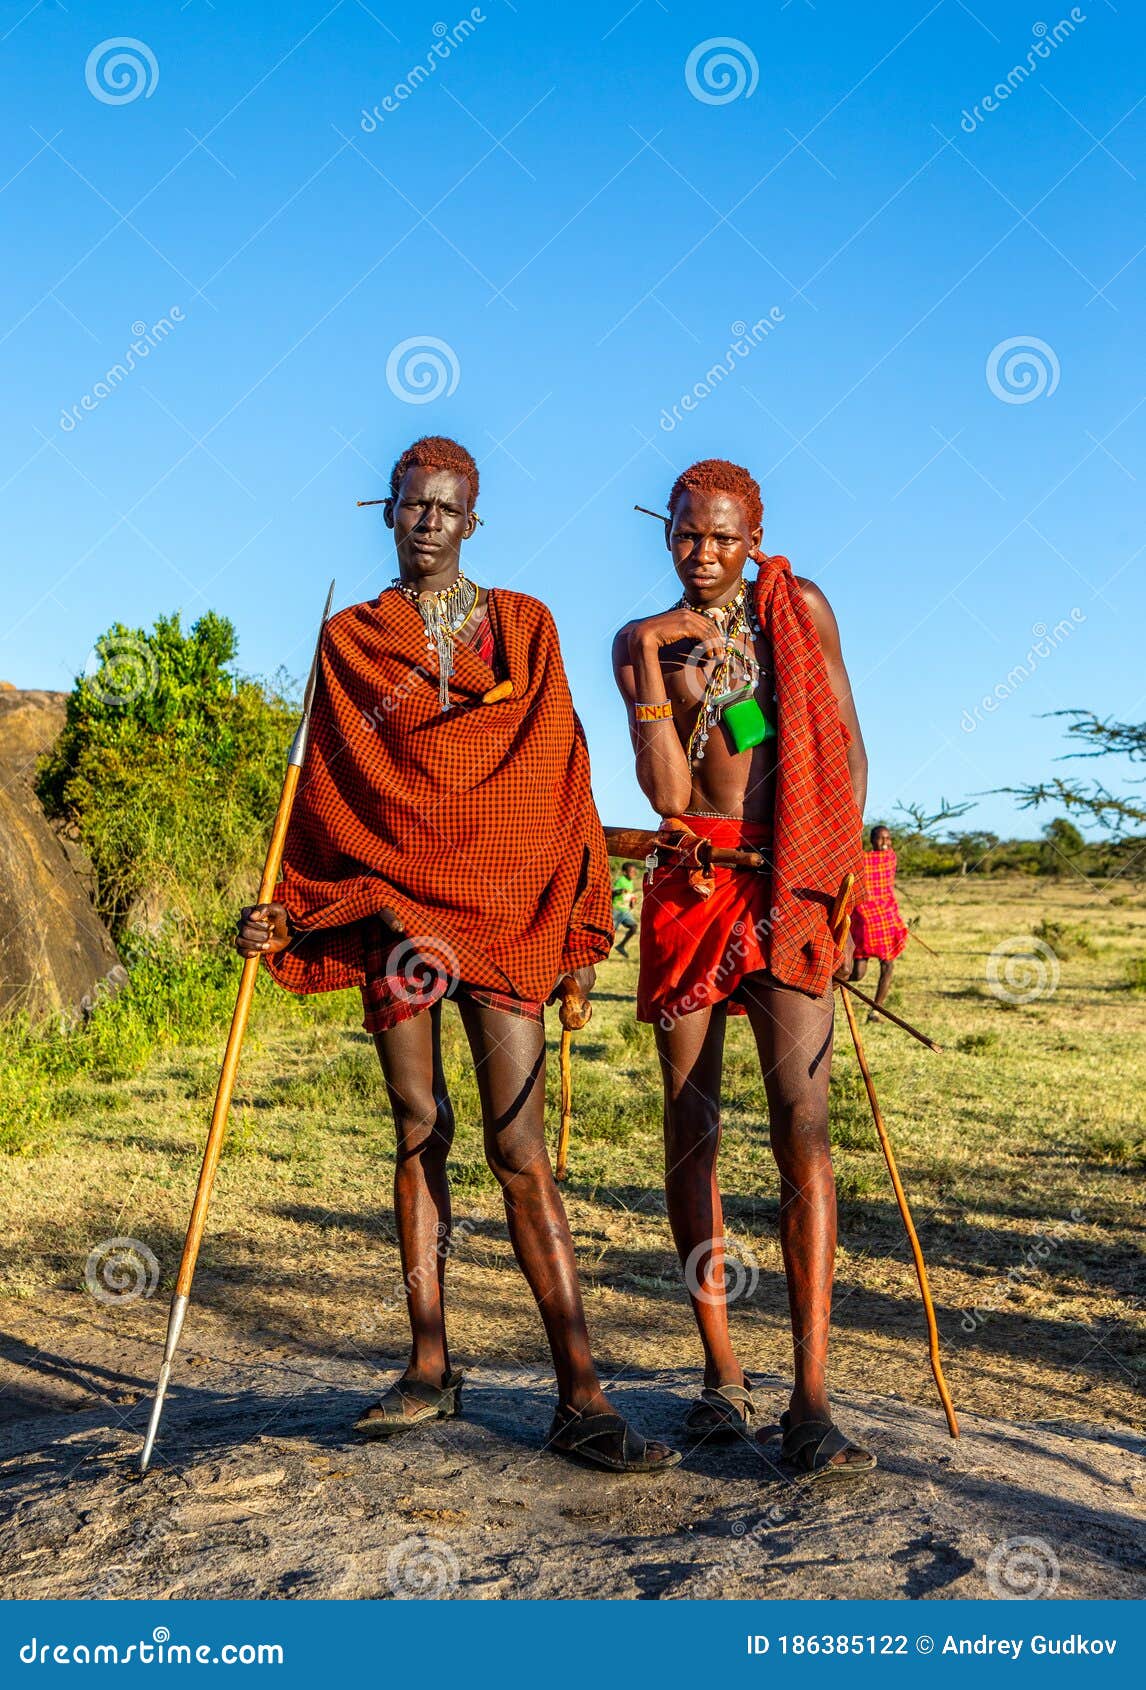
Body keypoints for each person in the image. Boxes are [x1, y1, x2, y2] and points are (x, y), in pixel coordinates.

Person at [236, 435, 678, 1475]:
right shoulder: (350, 639)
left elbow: (561, 778)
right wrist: (288, 912)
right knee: (417, 1125)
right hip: (395, 918)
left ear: (473, 519)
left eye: (447, 507)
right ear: (385, 512)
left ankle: (582, 1392)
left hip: (508, 914)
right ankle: (430, 1365)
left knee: (519, 1150)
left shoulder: (525, 627)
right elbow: (331, 801)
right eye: (411, 504)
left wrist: (578, 923)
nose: (428, 520)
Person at [612, 457, 875, 1479]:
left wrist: (830, 869)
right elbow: (673, 788)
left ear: (754, 534)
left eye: (724, 536)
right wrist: (648, 665)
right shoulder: (646, 644)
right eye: (687, 534)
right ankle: (722, 1373)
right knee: (693, 1128)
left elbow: (840, 747)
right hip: (691, 883)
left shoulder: (795, 610)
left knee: (802, 1129)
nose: (705, 553)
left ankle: (811, 1400)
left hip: (790, 882)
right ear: (665, 531)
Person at [850, 825, 909, 1016]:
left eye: (888, 838)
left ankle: (876, 1011)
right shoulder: (861, 860)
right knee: (858, 973)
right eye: (881, 838)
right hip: (866, 919)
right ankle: (828, 981)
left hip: (887, 919)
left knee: (888, 964)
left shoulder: (890, 858)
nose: (885, 842)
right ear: (872, 840)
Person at [611, 861, 641, 957]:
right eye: (631, 872)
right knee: (610, 932)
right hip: (616, 909)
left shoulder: (630, 882)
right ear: (625, 872)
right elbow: (613, 892)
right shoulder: (621, 880)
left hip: (625, 911)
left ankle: (621, 945)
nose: (634, 874)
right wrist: (620, 891)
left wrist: (632, 901)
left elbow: (628, 894)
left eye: (634, 872)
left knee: (634, 927)